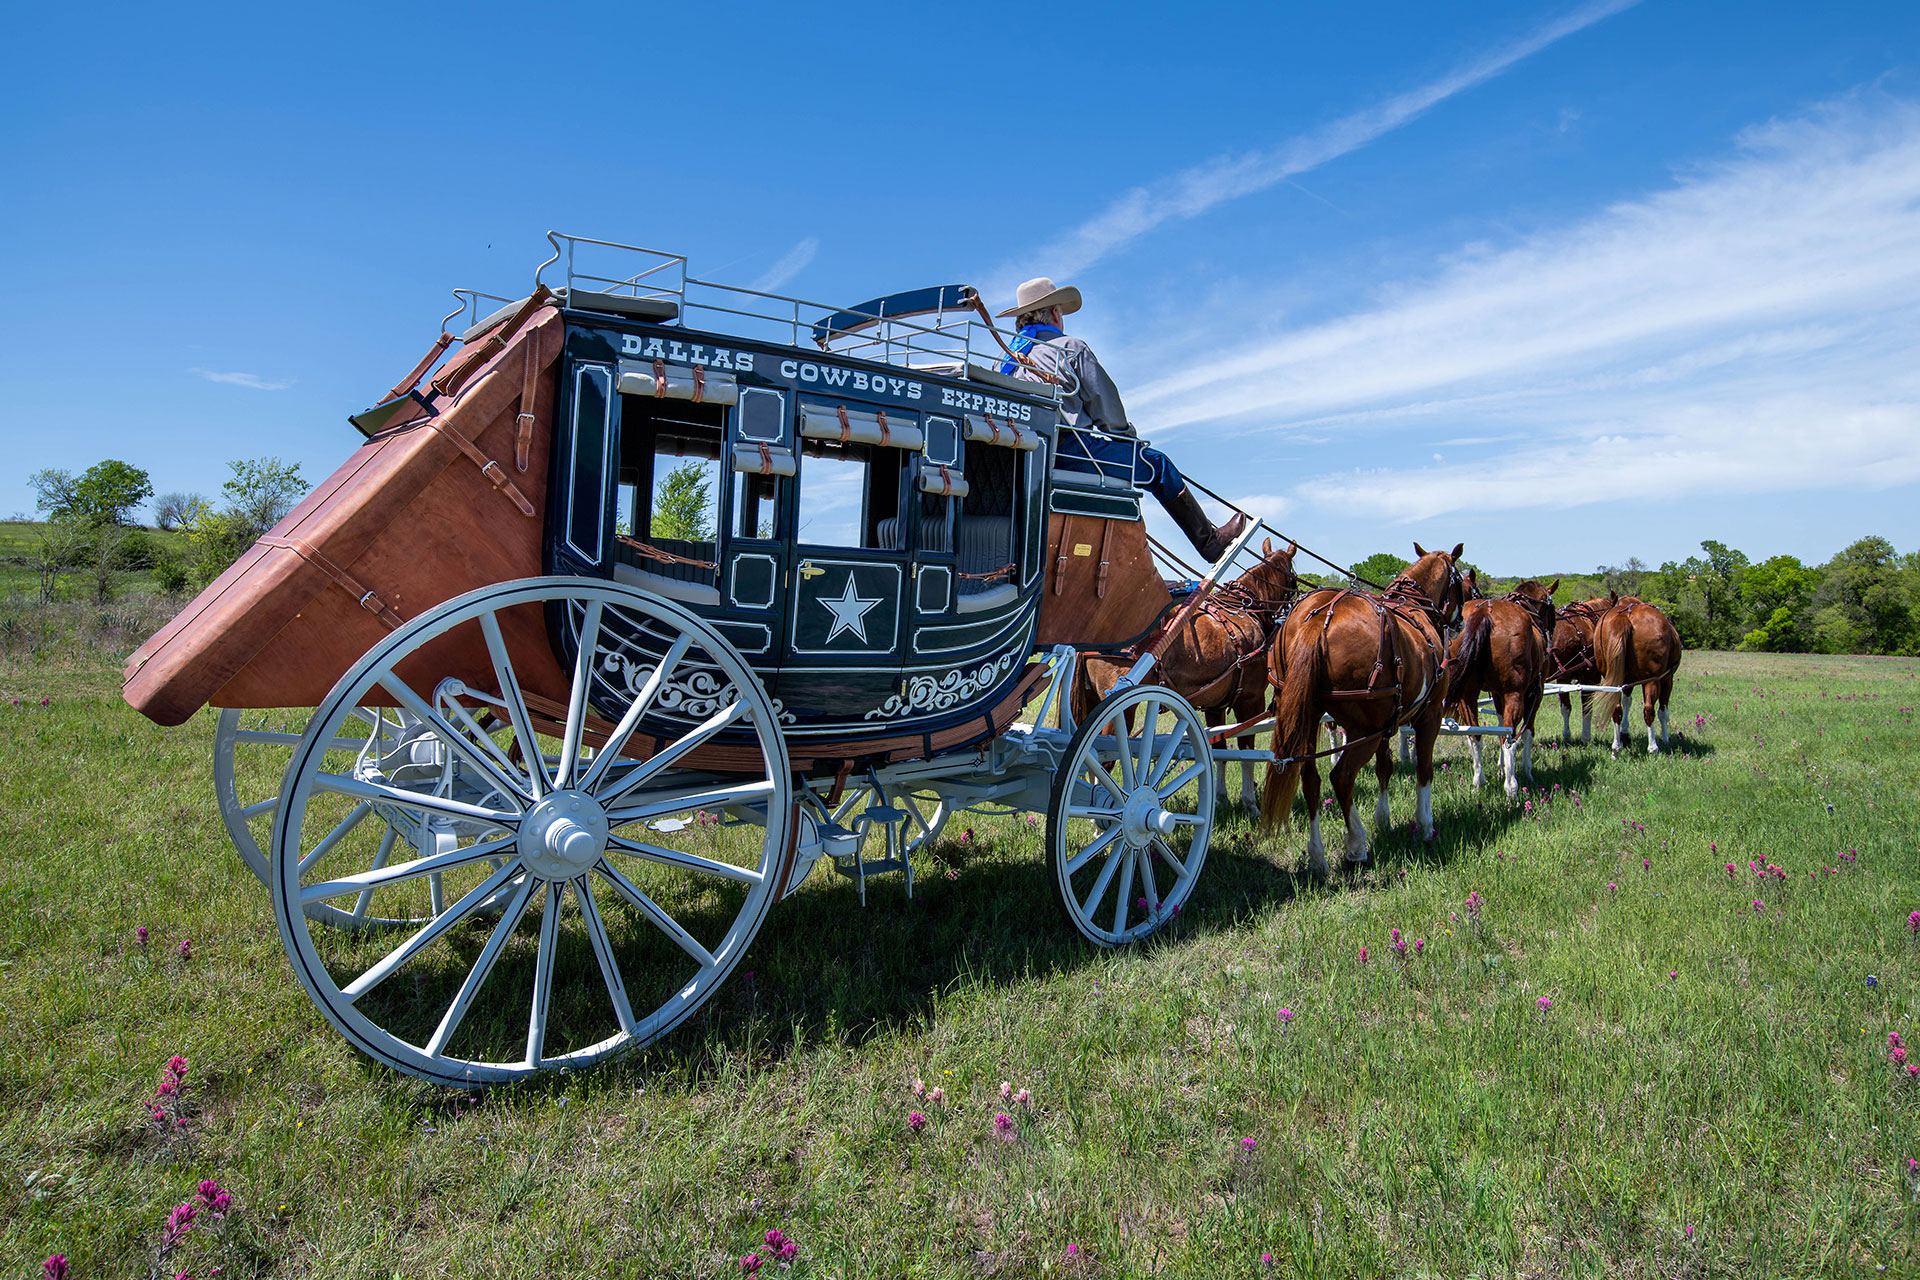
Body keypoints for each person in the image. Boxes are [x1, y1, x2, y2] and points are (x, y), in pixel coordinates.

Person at [997, 276, 1247, 561]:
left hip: (1022, 457)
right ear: (1055, 313)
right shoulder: (1069, 348)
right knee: (1158, 465)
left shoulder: (1004, 360)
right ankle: (1209, 542)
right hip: (1071, 452)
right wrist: (1128, 439)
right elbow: (1106, 405)